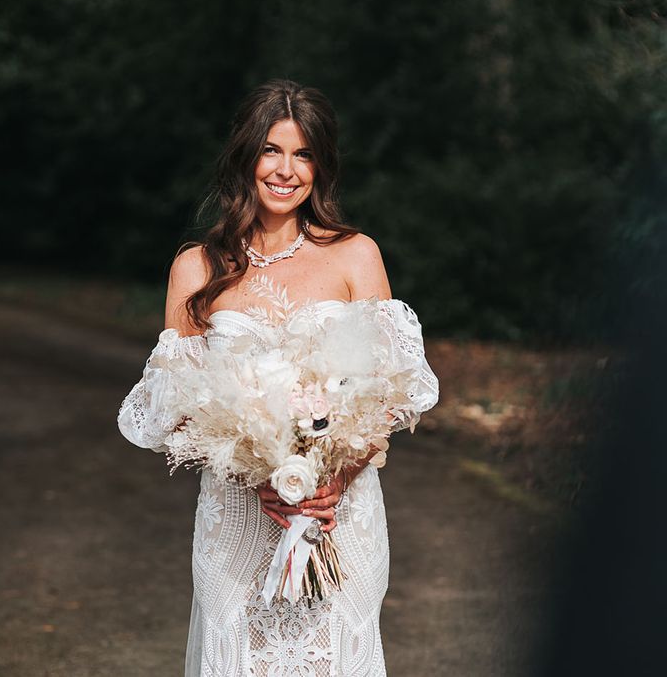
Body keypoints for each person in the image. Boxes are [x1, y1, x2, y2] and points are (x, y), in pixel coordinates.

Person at [117, 79, 439, 676]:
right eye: (272, 149)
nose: (286, 169)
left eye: (304, 153)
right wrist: (252, 468)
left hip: (337, 515)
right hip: (238, 514)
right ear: (246, 156)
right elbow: (176, 406)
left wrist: (335, 478)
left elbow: (391, 392)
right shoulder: (196, 267)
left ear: (321, 165)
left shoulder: (355, 255)